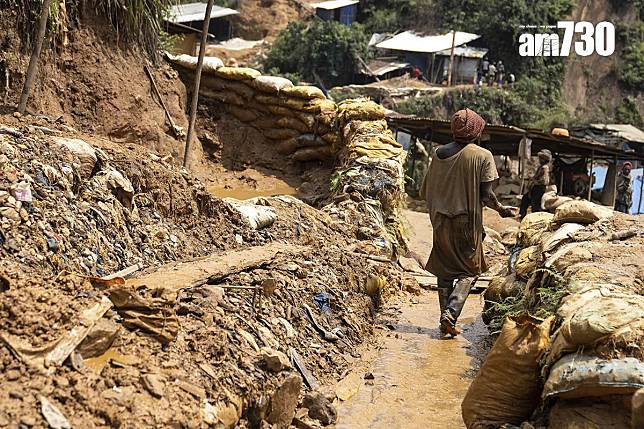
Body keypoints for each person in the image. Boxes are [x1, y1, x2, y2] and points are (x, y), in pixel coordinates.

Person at [420, 108, 514, 338]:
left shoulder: (438, 153)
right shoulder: (482, 155)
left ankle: (445, 318)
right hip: (466, 221)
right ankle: (451, 314)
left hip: (440, 219)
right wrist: (501, 209)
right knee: (469, 271)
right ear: (476, 131)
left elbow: (427, 190)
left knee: (444, 268)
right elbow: (487, 196)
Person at [519, 149, 552, 219]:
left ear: (544, 159)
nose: (539, 160)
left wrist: (535, 182)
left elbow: (545, 181)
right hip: (535, 188)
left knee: (535, 203)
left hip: (539, 188)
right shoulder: (540, 167)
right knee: (525, 199)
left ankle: (536, 218)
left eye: (541, 158)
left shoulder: (544, 168)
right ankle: (522, 216)